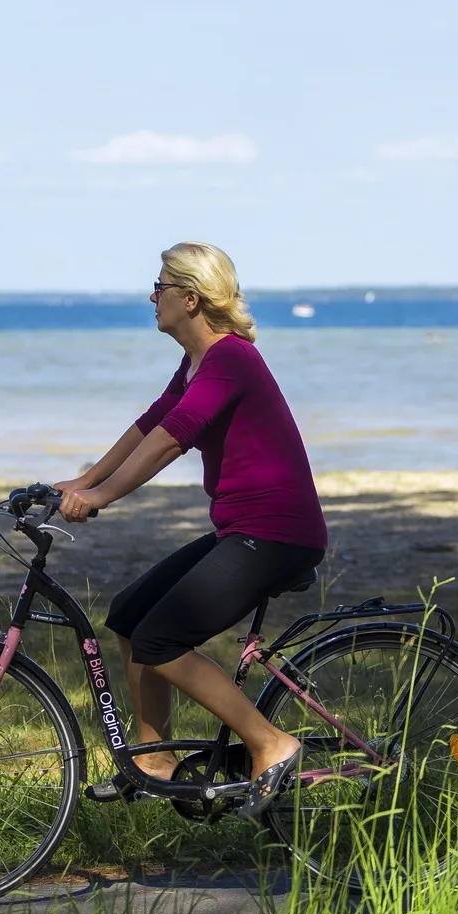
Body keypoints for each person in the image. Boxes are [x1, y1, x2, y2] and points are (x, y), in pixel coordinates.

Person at [54, 242, 327, 819]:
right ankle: (153, 758)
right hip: (246, 530)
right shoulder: (197, 361)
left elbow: (176, 434)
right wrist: (80, 480)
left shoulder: (232, 359)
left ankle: (271, 742)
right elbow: (151, 422)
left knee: (161, 640)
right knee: (130, 615)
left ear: (190, 297)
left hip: (276, 534)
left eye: (159, 287)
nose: (151, 297)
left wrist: (100, 496)